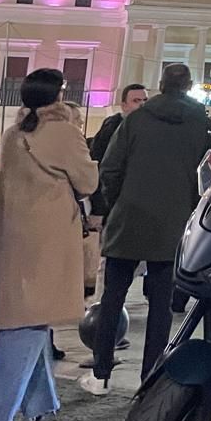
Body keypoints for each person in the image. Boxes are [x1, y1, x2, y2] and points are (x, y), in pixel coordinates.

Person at [80, 62, 211, 395]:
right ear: (190, 85)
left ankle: (101, 373)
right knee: (162, 304)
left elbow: (109, 169)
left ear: (160, 85)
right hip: (174, 223)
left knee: (112, 298)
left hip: (129, 218)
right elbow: (208, 176)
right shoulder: (201, 123)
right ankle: (150, 376)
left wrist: (118, 201)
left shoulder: (136, 119)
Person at [0, 69, 98, 421]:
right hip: (47, 238)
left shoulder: (14, 132)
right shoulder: (63, 133)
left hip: (12, 235)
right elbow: (88, 182)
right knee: (28, 324)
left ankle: (41, 404)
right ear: (59, 94)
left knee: (31, 316)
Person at [83, 83, 148, 299]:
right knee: (109, 258)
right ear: (124, 104)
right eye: (136, 101)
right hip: (113, 205)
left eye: (144, 100)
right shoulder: (113, 127)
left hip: (132, 205)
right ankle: (101, 305)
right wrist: (100, 207)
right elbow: (100, 168)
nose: (141, 105)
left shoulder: (145, 129)